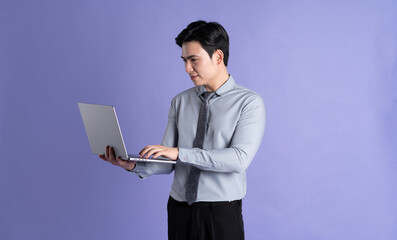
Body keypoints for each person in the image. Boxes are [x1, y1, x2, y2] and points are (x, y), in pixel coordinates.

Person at [99, 20, 266, 240]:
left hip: (220, 214)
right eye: (184, 60)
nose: (187, 68)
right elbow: (167, 162)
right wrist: (130, 164)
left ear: (218, 56)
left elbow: (238, 159)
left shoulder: (249, 103)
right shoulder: (180, 101)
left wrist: (180, 153)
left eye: (193, 60)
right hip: (179, 210)